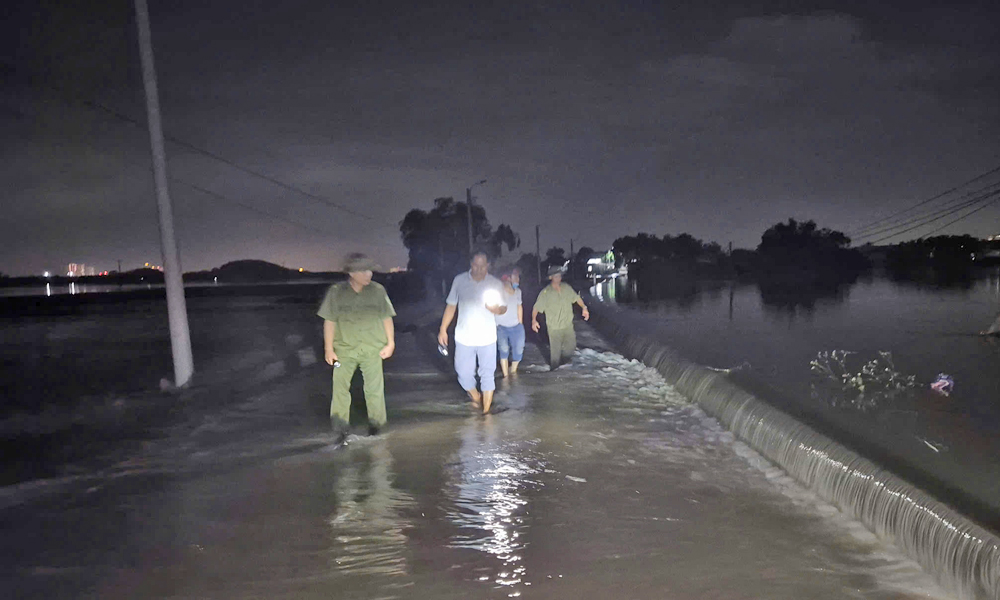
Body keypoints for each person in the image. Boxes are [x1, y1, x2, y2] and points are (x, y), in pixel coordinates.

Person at [318, 253, 396, 440]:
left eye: (370, 270)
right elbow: (330, 320)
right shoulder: (336, 292)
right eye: (364, 271)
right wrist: (329, 348)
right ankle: (340, 429)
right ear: (352, 273)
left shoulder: (378, 290)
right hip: (344, 350)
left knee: (374, 389)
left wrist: (391, 343)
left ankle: (377, 427)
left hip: (373, 348)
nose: (369, 274)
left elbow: (386, 317)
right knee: (340, 388)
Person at [438, 251, 507, 413]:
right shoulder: (459, 280)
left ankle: (486, 413)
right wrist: (443, 329)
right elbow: (451, 305)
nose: (479, 269)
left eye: (483, 266)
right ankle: (476, 397)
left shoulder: (495, 283)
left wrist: (496, 309)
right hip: (464, 337)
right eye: (476, 265)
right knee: (463, 374)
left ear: (488, 266)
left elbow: (503, 307)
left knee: (487, 375)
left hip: (487, 338)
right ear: (471, 264)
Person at [531, 264, 589, 370]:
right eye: (556, 276)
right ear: (550, 277)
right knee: (555, 355)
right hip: (554, 328)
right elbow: (537, 307)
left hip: (567, 325)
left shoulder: (566, 287)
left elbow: (576, 298)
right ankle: (554, 372)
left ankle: (563, 368)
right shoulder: (545, 292)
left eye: (560, 275)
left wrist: (584, 308)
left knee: (571, 348)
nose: (559, 278)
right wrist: (534, 320)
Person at [496, 267, 525, 377]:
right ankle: (506, 377)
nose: (518, 279)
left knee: (519, 350)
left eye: (518, 277)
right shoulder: (498, 291)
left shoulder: (518, 292)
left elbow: (519, 307)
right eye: (515, 277)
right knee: (503, 350)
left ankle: (513, 372)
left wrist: (520, 323)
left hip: (516, 326)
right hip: (501, 327)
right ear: (508, 278)